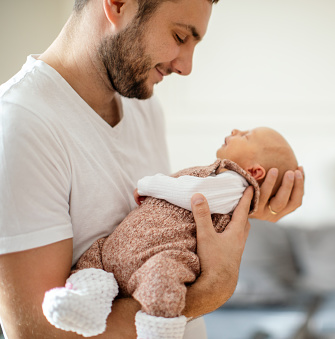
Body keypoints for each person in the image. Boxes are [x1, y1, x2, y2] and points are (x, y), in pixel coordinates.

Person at [0, 0, 304, 338]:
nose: (186, 66)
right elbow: (38, 332)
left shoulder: (142, 105)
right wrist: (210, 291)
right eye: (179, 36)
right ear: (117, 4)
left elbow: (168, 228)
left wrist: (244, 209)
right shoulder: (19, 125)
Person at [42, 127, 298, 339]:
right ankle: (85, 301)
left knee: (162, 276)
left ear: (255, 172)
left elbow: (194, 193)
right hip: (119, 246)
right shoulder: (218, 173)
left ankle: (158, 327)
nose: (236, 130)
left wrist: (149, 184)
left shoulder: (236, 183)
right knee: (92, 261)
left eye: (246, 136)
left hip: (160, 252)